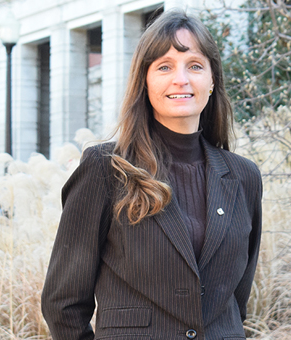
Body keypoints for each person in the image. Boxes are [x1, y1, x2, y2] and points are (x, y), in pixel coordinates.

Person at [41, 10, 262, 340]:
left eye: (195, 66)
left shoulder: (243, 177)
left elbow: (234, 300)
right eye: (164, 67)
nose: (181, 79)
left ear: (212, 79)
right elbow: (63, 304)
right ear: (144, 79)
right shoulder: (105, 168)